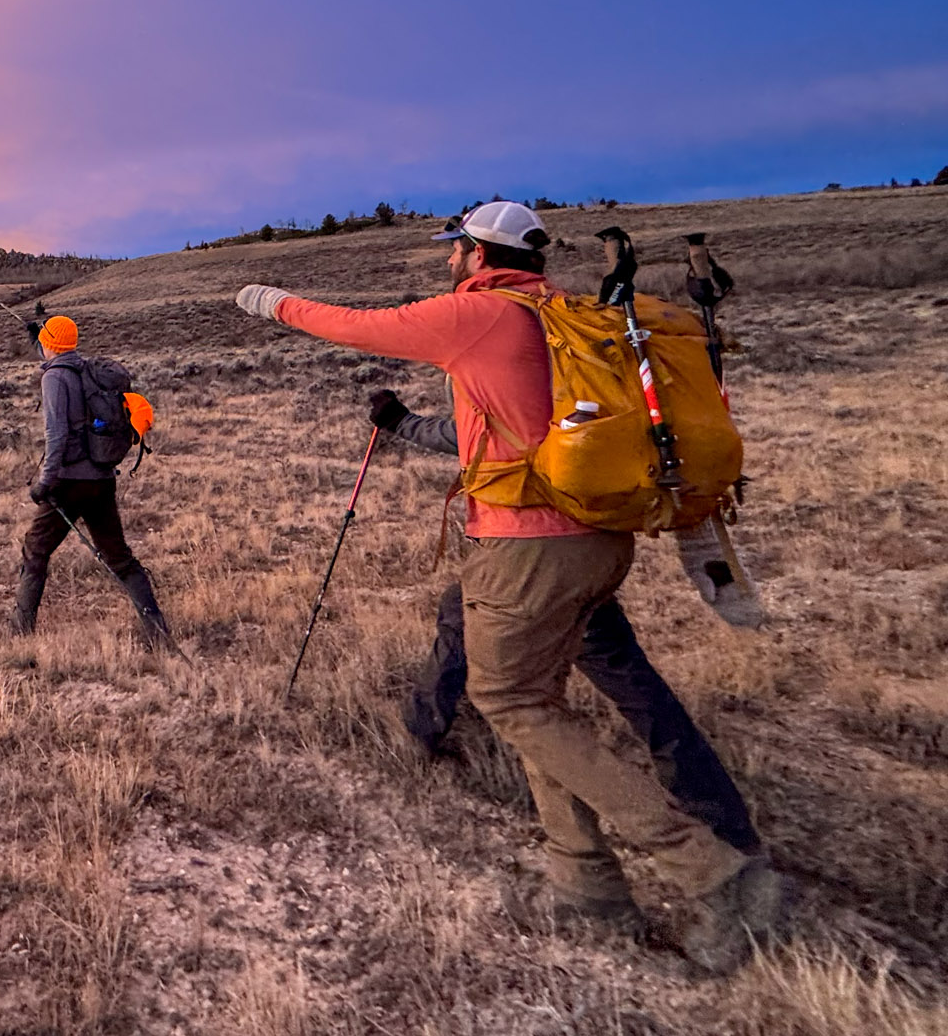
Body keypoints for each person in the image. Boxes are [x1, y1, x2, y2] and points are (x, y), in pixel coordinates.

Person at [235, 201, 779, 972]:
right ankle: (585, 885)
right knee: (539, 703)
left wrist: (267, 301)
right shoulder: (564, 313)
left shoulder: (478, 314)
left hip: (526, 549)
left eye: (455, 247)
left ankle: (713, 873)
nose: (448, 259)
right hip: (596, 538)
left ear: (475, 252)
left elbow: (355, 326)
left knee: (513, 703)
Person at [368, 387, 761, 858]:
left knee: (523, 683)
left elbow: (478, 437)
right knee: (623, 674)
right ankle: (721, 817)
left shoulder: (523, 350)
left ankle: (701, 853)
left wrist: (402, 424)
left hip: (536, 552)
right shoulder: (584, 359)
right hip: (586, 541)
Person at [14, 315, 172, 645]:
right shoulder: (87, 371)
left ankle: (19, 634)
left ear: (48, 344)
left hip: (69, 482)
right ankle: (158, 634)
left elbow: (55, 434)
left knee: (35, 551)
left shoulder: (55, 377)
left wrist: (46, 481)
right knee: (120, 558)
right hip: (101, 478)